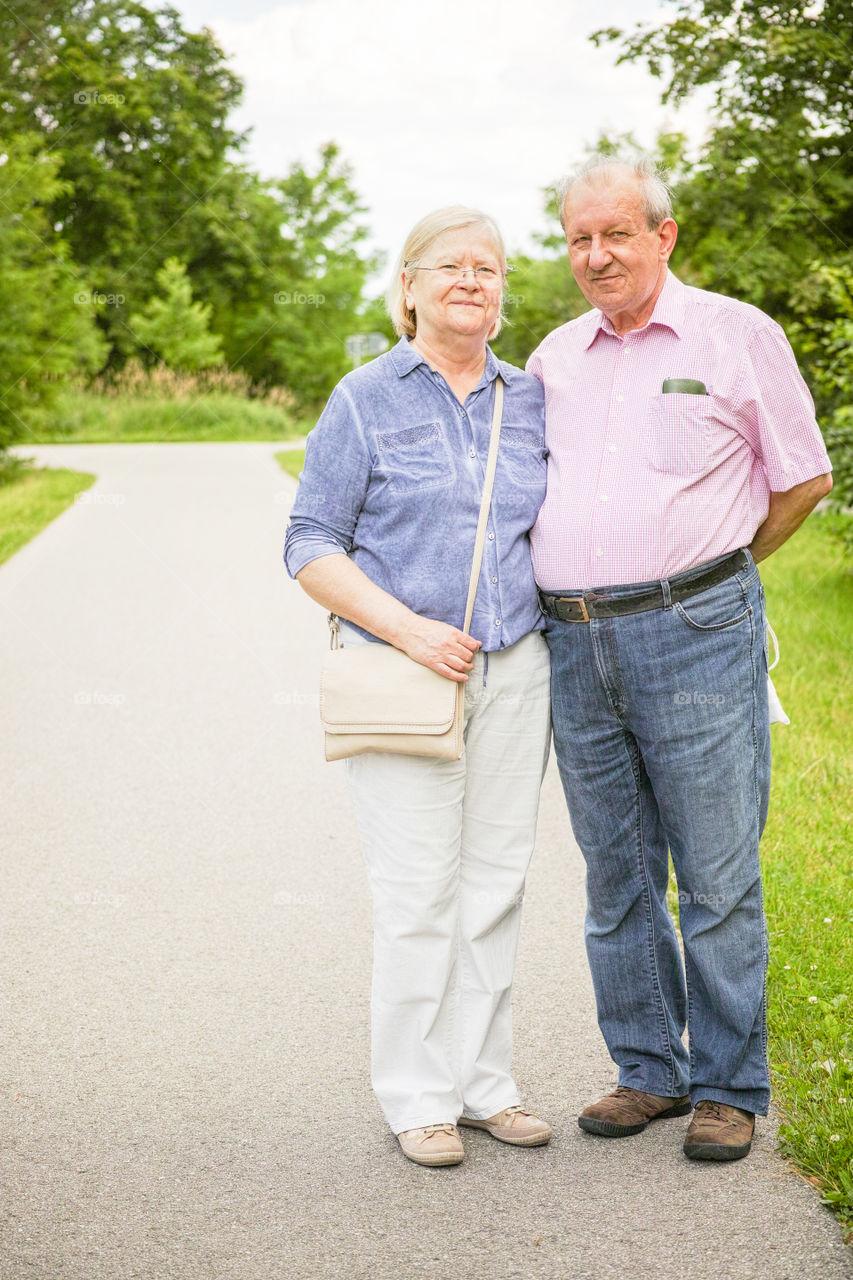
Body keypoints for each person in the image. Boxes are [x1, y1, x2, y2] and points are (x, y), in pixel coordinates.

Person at [528, 156, 832, 1162]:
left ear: (663, 233)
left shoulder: (735, 334)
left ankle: (728, 1084)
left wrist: (712, 576)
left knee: (713, 874)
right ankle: (646, 1070)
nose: (596, 254)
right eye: (578, 237)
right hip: (573, 639)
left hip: (694, 632)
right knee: (614, 875)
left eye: (616, 232)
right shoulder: (553, 358)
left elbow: (802, 478)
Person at [284, 207, 552, 1167]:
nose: (472, 281)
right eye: (450, 266)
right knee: (416, 893)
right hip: (403, 674)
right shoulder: (363, 397)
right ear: (407, 287)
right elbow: (308, 541)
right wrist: (404, 628)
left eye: (489, 268)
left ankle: (485, 1086)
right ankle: (416, 1096)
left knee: (493, 887)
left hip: (518, 669)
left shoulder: (531, 397)